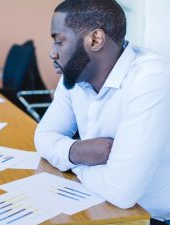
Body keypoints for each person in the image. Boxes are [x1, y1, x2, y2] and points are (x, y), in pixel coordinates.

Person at [34, 0, 170, 224]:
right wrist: (78, 151)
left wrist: (70, 161)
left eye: (59, 42)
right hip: (101, 203)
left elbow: (121, 191)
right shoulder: (75, 76)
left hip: (149, 217)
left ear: (95, 40)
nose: (52, 53)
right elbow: (43, 136)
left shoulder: (152, 78)